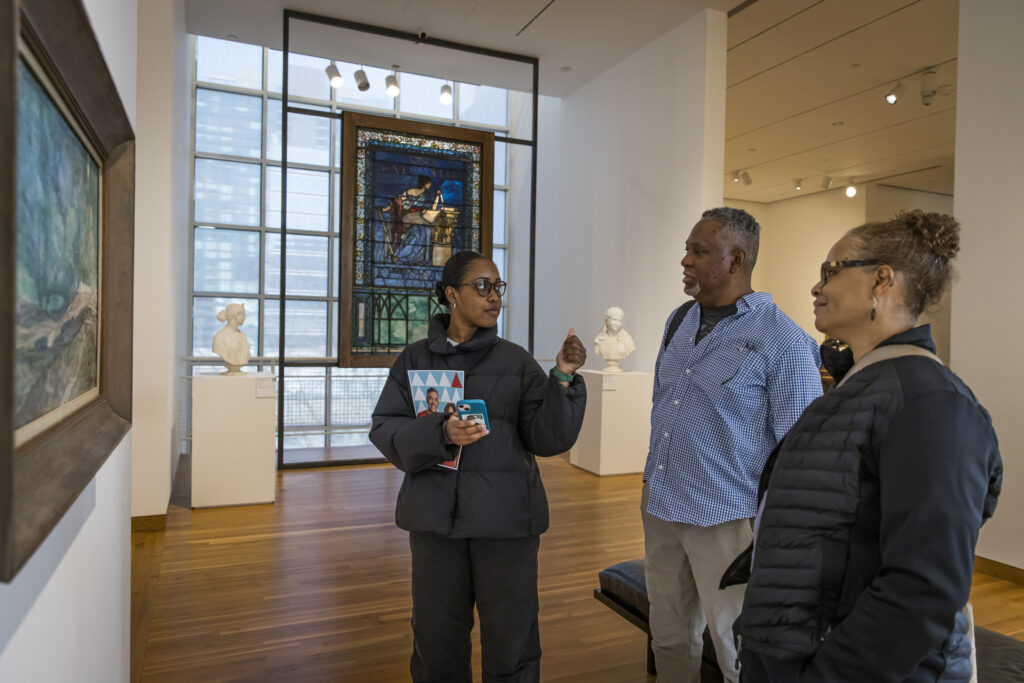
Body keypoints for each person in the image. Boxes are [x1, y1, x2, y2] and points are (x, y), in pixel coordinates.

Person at [727, 210, 1002, 682]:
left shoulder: (929, 402)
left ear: (882, 280)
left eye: (830, 271)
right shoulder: (866, 386)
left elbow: (923, 587)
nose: (817, 287)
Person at [370, 250, 587, 682]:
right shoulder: (414, 360)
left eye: (498, 287)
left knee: (512, 642)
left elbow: (549, 439)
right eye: (482, 286)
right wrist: (441, 434)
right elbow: (385, 431)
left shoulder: (517, 361)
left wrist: (562, 378)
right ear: (451, 295)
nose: (494, 297)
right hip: (435, 526)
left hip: (505, 524)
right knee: (436, 642)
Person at [642, 207, 823, 683]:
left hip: (726, 518)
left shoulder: (782, 339)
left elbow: (800, 451)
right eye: (687, 248)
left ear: (737, 259)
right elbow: (666, 404)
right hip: (660, 505)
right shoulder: (678, 320)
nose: (685, 260)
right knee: (668, 632)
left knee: (735, 646)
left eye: (699, 251)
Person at [593, 306, 636, 371]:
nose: (617, 323)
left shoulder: (627, 339)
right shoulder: (599, 339)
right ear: (607, 321)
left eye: (619, 321)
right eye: (614, 320)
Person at [212, 302, 251, 373]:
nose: (245, 318)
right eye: (243, 315)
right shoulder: (220, 336)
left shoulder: (242, 335)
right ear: (235, 316)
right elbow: (218, 349)